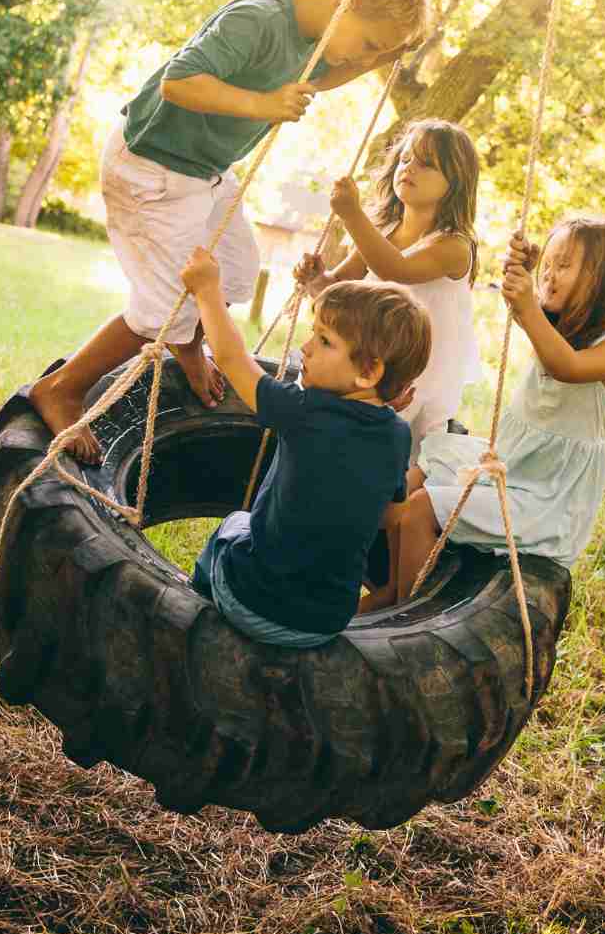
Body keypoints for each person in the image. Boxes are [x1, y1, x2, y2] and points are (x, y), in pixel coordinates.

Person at [31, 0, 431, 461]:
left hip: (204, 174)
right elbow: (178, 81)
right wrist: (261, 105)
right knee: (164, 308)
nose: (366, 60)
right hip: (150, 167)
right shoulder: (259, 20)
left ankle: (189, 347)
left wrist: (389, 51)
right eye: (370, 43)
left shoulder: (319, 44)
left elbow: (337, 71)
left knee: (238, 273)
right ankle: (61, 388)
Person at [364, 215, 605, 609]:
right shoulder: (559, 329)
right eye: (549, 263)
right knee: (435, 455)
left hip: (546, 495)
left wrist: (529, 301)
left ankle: (404, 608)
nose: (551, 273)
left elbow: (564, 366)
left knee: (421, 509)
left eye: (564, 265)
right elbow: (532, 322)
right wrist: (527, 274)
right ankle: (387, 576)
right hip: (513, 464)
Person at [181, 247, 431, 646]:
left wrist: (208, 289)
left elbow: (229, 357)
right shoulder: (398, 435)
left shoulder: (303, 411)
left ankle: (193, 606)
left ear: (369, 372)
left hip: (251, 602)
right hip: (324, 624)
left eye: (325, 341)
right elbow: (386, 513)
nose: (305, 348)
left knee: (232, 526)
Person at [293, 119, 482, 458]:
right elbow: (337, 291)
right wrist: (315, 279)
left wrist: (352, 215)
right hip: (372, 360)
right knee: (347, 443)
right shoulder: (386, 228)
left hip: (419, 373)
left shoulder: (454, 246)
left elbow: (396, 269)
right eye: (406, 159)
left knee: (392, 451)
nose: (409, 168)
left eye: (426, 164)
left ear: (455, 181)